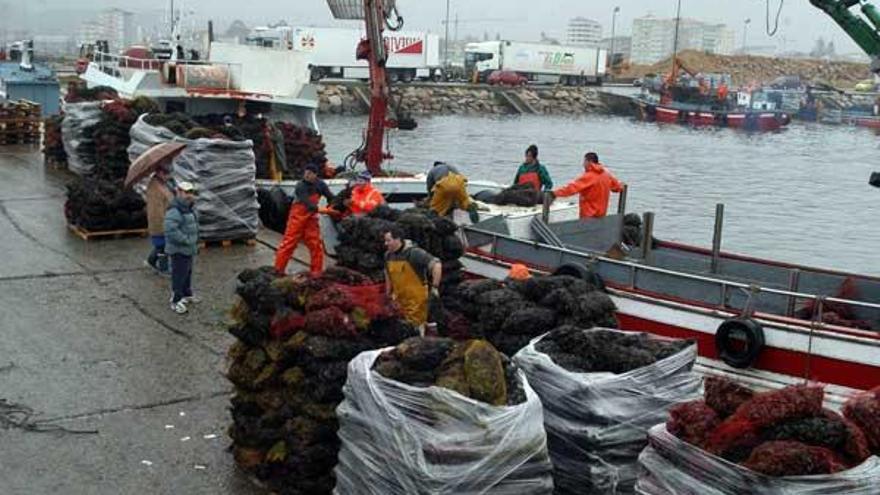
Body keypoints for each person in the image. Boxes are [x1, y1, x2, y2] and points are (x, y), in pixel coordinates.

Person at [274, 163, 335, 275]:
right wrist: (326, 211)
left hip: (311, 219)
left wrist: (335, 205)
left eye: (310, 173)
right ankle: (278, 270)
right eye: (306, 173)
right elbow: (308, 204)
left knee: (316, 245)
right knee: (288, 244)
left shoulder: (321, 185)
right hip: (297, 218)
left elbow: (331, 197)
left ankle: (316, 273)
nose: (306, 175)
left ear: (315, 175)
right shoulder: (300, 186)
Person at [384, 226, 442, 330]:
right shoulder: (388, 256)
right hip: (399, 301)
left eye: (388, 240)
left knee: (416, 331)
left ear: (398, 239)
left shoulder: (415, 253)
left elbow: (436, 265)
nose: (386, 243)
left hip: (416, 302)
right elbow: (388, 274)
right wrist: (388, 294)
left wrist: (435, 287)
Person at [551, 152, 624, 219]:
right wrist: (621, 185)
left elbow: (571, 188)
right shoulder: (607, 174)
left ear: (589, 162)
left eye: (584, 161)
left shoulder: (589, 176)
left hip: (588, 215)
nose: (583, 164)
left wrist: (554, 193)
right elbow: (618, 187)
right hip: (601, 215)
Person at [164, 181, 200, 315]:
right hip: (178, 249)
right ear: (178, 192)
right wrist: (187, 240)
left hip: (188, 248)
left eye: (191, 192)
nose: (189, 195)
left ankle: (187, 294)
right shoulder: (175, 209)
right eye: (186, 192)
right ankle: (176, 300)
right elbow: (170, 230)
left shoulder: (189, 208)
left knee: (187, 272)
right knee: (178, 275)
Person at [145, 166, 175, 274]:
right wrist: (164, 225)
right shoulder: (155, 188)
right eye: (166, 174)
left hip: (167, 219)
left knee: (161, 245)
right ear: (159, 173)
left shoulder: (162, 184)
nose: (168, 176)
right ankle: (163, 268)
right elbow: (156, 211)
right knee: (162, 246)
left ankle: (151, 261)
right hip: (160, 221)